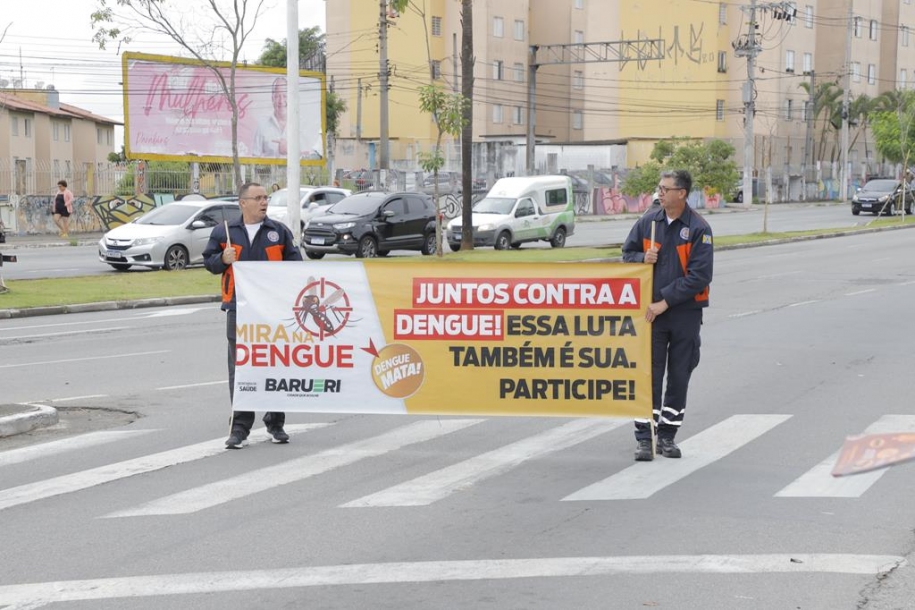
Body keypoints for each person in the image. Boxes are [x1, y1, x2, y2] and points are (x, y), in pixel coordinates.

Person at [203, 182, 303, 449]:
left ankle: (276, 423)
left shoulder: (278, 232)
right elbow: (209, 263)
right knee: (240, 369)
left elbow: (297, 267)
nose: (264, 202)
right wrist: (222, 260)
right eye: (257, 198)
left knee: (275, 364)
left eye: (265, 197)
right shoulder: (224, 232)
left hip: (273, 312)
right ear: (242, 202)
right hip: (238, 310)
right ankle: (239, 428)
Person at [622, 169, 713, 462]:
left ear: (681, 193)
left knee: (679, 376)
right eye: (659, 188)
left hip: (684, 314)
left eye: (665, 189)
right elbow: (626, 253)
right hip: (652, 315)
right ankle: (644, 440)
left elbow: (700, 276)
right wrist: (640, 258)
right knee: (649, 375)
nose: (659, 193)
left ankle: (667, 437)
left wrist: (666, 301)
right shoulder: (649, 222)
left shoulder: (699, 228)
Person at [253, 77, 323, 159]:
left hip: (296, 172)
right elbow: (255, 159)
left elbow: (312, 156)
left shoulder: (302, 125)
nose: (281, 101)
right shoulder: (262, 125)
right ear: (272, 98)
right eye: (277, 96)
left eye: (285, 96)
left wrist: (289, 149)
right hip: (269, 172)